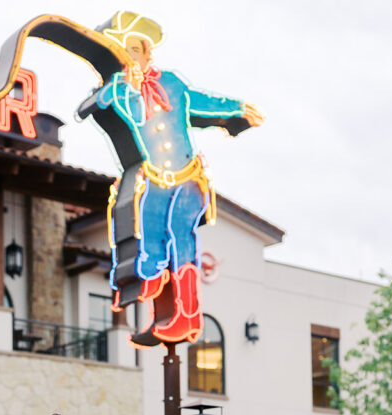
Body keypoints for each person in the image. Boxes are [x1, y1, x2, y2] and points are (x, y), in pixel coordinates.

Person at [78, 11, 264, 344]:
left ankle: (186, 315)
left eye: (136, 48)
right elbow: (97, 104)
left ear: (146, 51)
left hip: (188, 178)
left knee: (181, 236)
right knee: (147, 234)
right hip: (151, 179)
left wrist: (236, 109)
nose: (133, 56)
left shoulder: (173, 84)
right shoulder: (120, 91)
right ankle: (147, 280)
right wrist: (124, 86)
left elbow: (204, 103)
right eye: (125, 50)